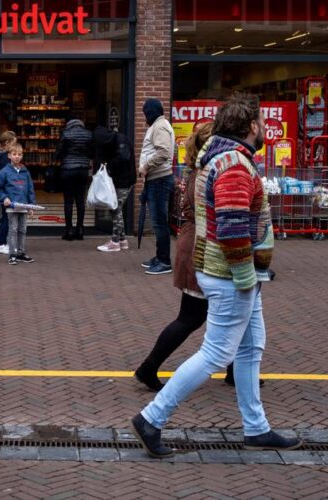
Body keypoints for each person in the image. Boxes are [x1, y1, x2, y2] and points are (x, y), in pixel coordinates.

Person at [131, 93, 300, 458]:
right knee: (216, 352)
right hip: (231, 275)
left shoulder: (219, 159)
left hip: (230, 271)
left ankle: (256, 428)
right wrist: (244, 276)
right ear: (252, 125)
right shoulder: (235, 164)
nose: (266, 127)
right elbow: (233, 225)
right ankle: (151, 417)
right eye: (262, 122)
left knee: (251, 347)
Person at [134, 121, 254, 389]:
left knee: (229, 314)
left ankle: (236, 372)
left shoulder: (197, 170)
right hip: (202, 249)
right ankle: (149, 367)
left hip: (193, 245)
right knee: (194, 317)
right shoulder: (210, 172)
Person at [138, 98, 175, 275]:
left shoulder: (159, 126)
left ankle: (164, 261)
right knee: (158, 222)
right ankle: (160, 256)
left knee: (159, 223)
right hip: (156, 179)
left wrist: (145, 167)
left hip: (159, 180)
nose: (144, 115)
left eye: (146, 112)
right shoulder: (159, 125)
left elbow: (164, 152)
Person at [93, 125, 136, 252]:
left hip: (124, 180)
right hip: (120, 180)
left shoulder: (120, 140)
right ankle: (122, 240)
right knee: (116, 209)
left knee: (116, 209)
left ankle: (115, 242)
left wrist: (108, 164)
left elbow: (123, 157)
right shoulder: (115, 140)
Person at [0, 143, 36, 265]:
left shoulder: (25, 172)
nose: (17, 157)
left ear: (22, 156)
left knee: (22, 230)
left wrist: (31, 205)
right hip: (12, 207)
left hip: (24, 206)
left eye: (19, 154)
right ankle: (12, 254)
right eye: (14, 154)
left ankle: (21, 253)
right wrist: (4, 198)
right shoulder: (4, 172)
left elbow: (30, 189)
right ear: (9, 156)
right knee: (13, 230)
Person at [55, 118, 92, 241]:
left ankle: (69, 230)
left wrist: (60, 158)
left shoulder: (65, 133)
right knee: (80, 201)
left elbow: (59, 152)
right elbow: (91, 153)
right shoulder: (88, 134)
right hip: (82, 170)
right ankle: (80, 229)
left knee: (68, 201)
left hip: (68, 169)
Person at [0, 130, 17, 255]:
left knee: (5, 218)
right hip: (6, 192)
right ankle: (0, 243)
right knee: (7, 219)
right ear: (7, 143)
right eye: (14, 143)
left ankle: (3, 242)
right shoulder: (5, 159)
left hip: (2, 191)